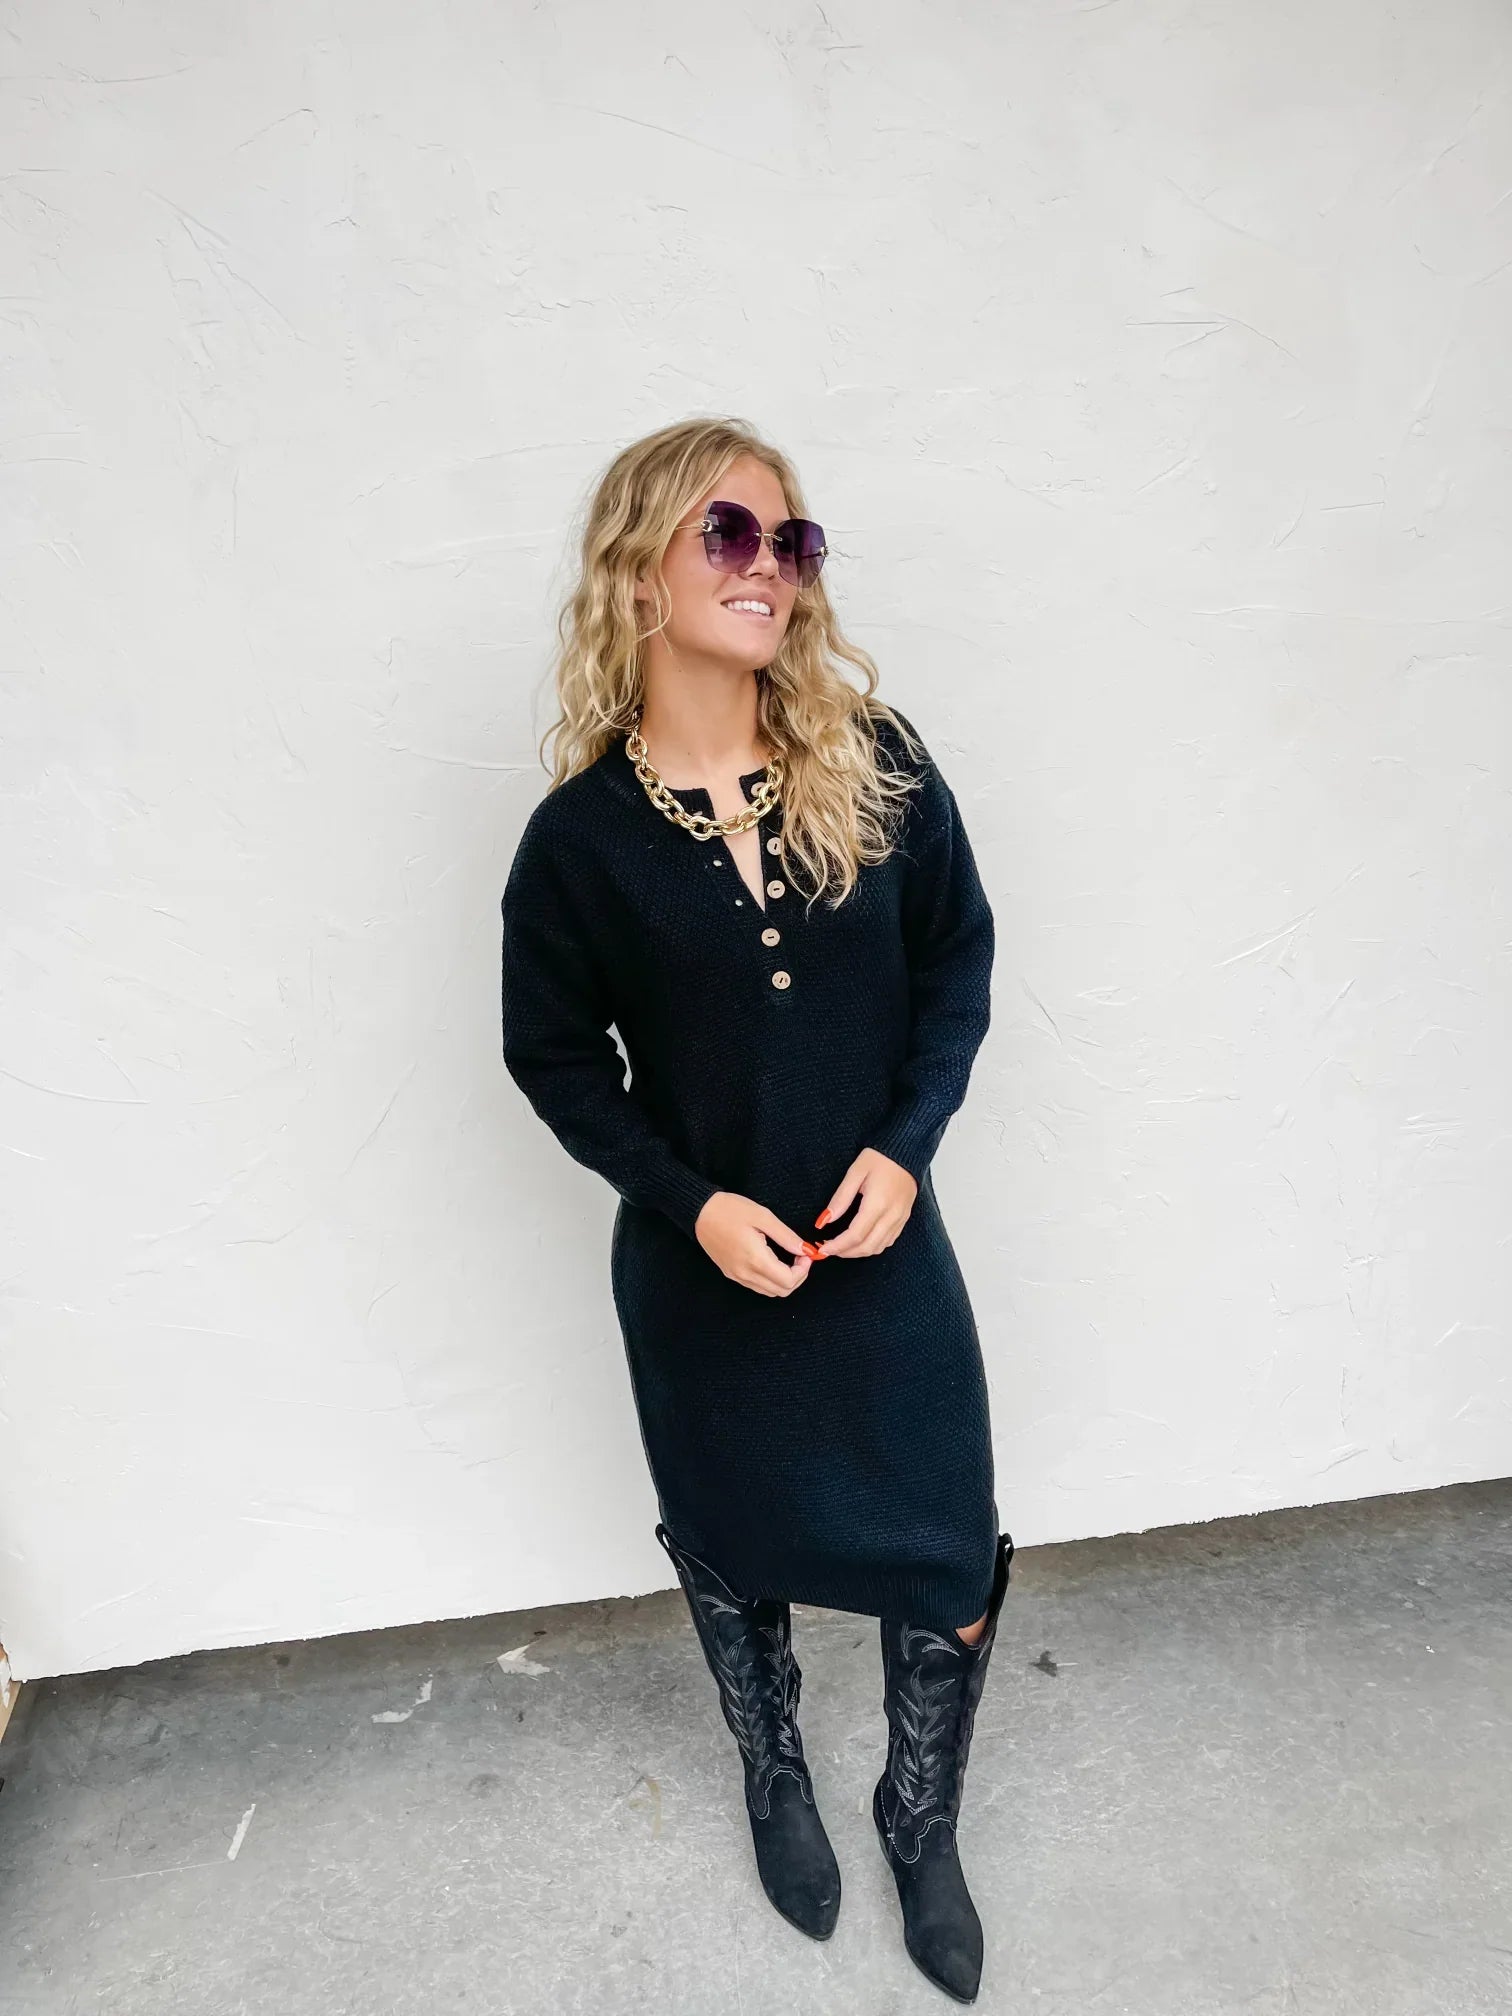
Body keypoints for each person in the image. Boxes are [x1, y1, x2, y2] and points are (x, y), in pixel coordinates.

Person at [499, 415, 1015, 2003]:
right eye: (730, 533)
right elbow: (553, 1059)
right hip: (699, 1278)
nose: (771, 567)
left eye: (793, 541)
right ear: (639, 570)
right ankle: (774, 1769)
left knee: (946, 1559)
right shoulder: (580, 843)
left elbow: (958, 965)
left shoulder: (879, 760)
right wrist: (690, 1202)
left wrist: (908, 1145)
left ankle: (917, 1817)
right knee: (736, 1546)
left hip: (881, 1254)